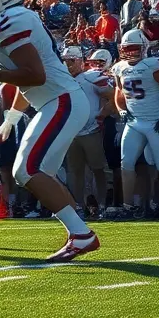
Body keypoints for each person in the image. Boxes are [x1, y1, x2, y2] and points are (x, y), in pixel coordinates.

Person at [0, 0, 97, 261]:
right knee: (40, 173)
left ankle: (82, 234)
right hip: (56, 101)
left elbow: (34, 75)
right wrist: (10, 120)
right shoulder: (6, 20)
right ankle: (78, 232)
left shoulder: (10, 20)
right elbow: (30, 82)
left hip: (61, 101)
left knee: (26, 170)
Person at [110, 28, 159, 218]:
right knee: (126, 163)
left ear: (144, 48)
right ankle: (128, 207)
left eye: (134, 48)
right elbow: (119, 93)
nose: (130, 52)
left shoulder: (153, 65)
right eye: (127, 48)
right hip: (134, 122)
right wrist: (121, 110)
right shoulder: (119, 68)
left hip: (155, 121)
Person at [60, 46, 110, 220]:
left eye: (71, 61)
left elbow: (114, 94)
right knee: (76, 172)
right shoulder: (61, 80)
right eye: (65, 61)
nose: (68, 65)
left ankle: (102, 204)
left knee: (98, 169)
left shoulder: (91, 77)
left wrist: (102, 114)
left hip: (91, 130)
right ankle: (79, 206)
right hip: (71, 133)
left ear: (80, 60)